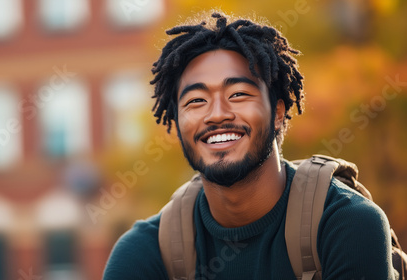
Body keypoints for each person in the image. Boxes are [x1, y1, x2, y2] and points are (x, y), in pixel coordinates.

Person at [103, 11, 396, 279]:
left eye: (239, 94)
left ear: (278, 112)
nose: (217, 114)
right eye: (196, 101)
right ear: (178, 124)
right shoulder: (146, 253)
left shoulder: (348, 226)